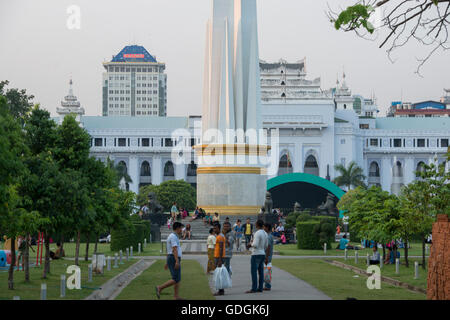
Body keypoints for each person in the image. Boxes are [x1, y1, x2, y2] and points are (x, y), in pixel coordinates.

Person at [156, 221, 184, 300]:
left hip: (171, 258)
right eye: (181, 228)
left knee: (177, 278)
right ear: (177, 228)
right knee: (175, 279)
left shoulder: (172, 236)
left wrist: (167, 262)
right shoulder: (173, 237)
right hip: (173, 258)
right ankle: (160, 287)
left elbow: (168, 249)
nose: (182, 230)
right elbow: (174, 249)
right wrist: (177, 261)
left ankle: (176, 296)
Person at [246, 219, 268, 294]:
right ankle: (260, 287)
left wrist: (250, 244)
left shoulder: (257, 233)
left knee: (254, 272)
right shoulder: (265, 233)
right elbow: (266, 245)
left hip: (256, 254)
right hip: (262, 253)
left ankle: (254, 288)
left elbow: (255, 244)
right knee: (261, 272)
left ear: (257, 225)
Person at [213, 223, 226, 296]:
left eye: (215, 228)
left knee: (219, 275)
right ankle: (221, 290)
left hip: (219, 257)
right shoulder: (219, 236)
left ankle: (220, 290)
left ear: (219, 228)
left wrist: (220, 260)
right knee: (219, 274)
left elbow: (221, 248)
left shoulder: (220, 237)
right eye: (214, 228)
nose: (214, 230)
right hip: (218, 256)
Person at [263, 223, 274, 291]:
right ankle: (267, 285)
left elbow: (268, 247)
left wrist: (266, 257)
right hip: (267, 256)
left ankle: (268, 285)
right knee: (266, 271)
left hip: (267, 257)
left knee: (267, 271)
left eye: (264, 227)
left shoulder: (268, 236)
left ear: (267, 228)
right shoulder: (268, 235)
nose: (263, 228)